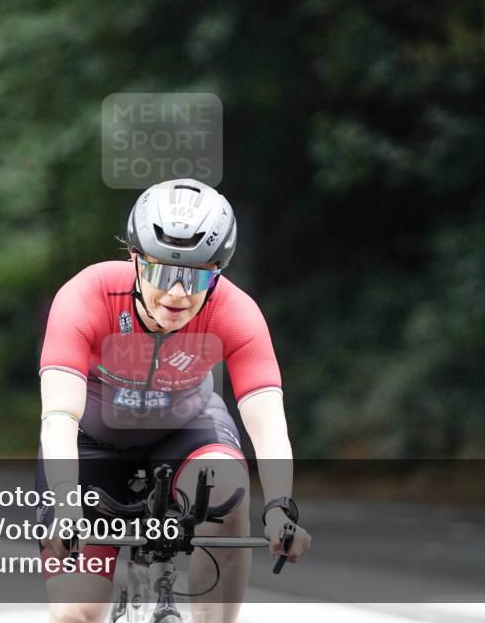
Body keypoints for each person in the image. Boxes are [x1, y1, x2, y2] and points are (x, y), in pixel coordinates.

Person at [37, 178, 311, 623]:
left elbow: (268, 423)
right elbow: (59, 416)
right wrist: (66, 498)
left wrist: (280, 506)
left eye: (197, 275)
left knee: (227, 489)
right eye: (164, 272)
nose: (179, 294)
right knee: (75, 613)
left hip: (188, 428)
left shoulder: (235, 312)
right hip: (93, 441)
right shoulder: (87, 296)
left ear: (218, 271)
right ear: (134, 260)